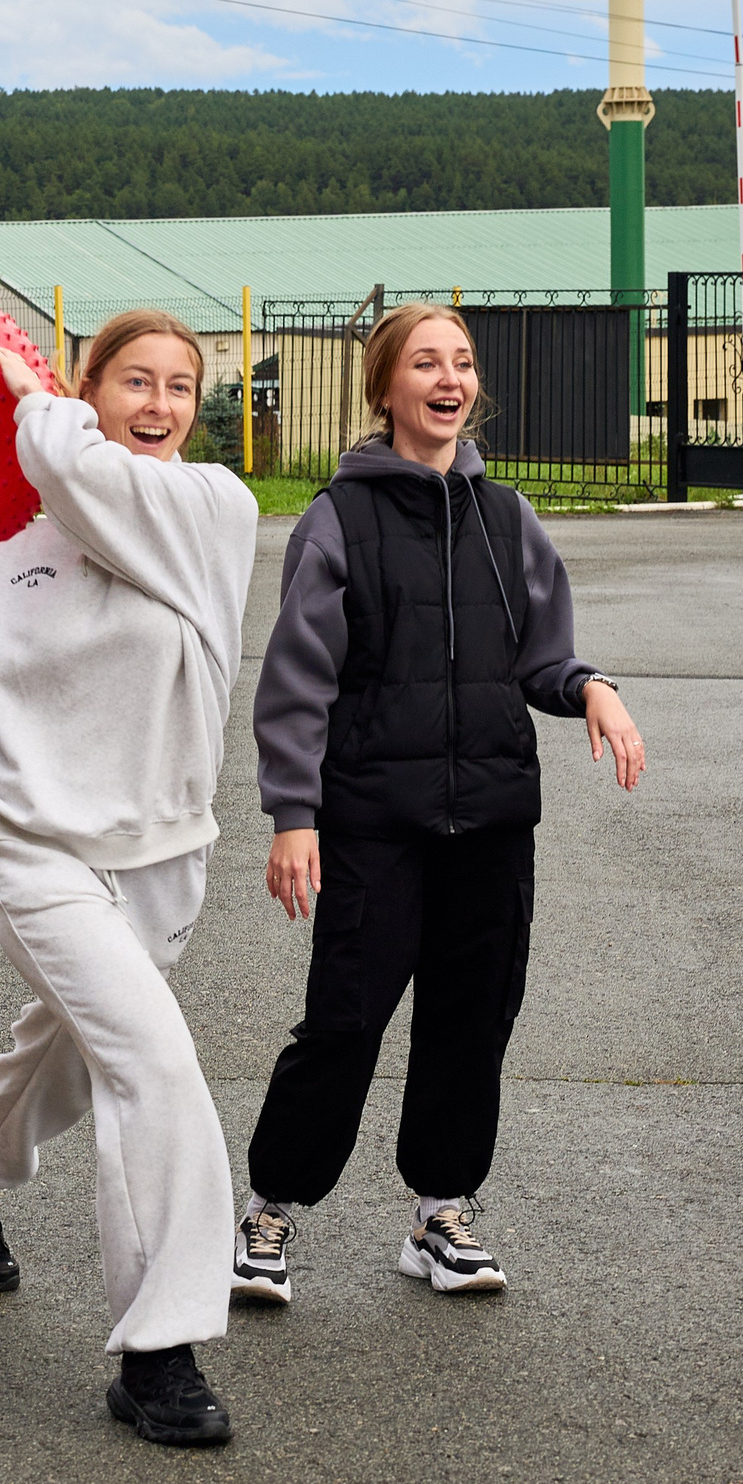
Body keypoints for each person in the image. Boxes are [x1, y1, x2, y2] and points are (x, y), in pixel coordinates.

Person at [0, 309, 259, 1448]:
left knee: (70, 1064)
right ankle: (160, 1350)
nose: (162, 406)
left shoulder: (209, 512)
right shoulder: (22, 555)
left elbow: (81, 471)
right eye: (136, 382)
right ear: (92, 389)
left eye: (181, 386)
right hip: (31, 851)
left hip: (165, 861)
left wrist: (38, 406)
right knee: (154, 1066)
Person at [231, 302, 643, 1306]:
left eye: (460, 364)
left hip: (491, 823)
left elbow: (542, 653)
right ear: (386, 388)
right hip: (375, 821)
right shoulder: (340, 519)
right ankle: (269, 1213)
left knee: (470, 1022)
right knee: (343, 1023)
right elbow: (297, 681)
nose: (448, 380)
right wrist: (294, 814)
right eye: (425, 363)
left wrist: (590, 687)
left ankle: (440, 1214)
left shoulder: (506, 519)